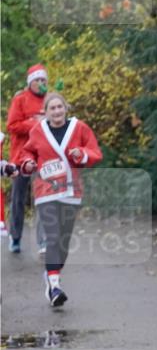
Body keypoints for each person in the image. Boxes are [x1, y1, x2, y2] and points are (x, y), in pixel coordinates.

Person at [17, 92, 103, 306]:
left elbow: (95, 153)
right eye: (52, 108)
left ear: (66, 108)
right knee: (53, 237)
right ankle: (55, 286)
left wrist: (80, 154)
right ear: (45, 112)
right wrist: (28, 164)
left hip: (71, 191)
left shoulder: (80, 128)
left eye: (59, 107)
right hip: (45, 191)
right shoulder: (38, 131)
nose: (56, 111)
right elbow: (27, 154)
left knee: (63, 242)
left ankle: (51, 274)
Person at [5, 64, 48, 253]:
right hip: (21, 157)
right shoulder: (20, 99)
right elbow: (12, 126)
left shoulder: (50, 100)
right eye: (37, 80)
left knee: (43, 198)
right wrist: (34, 123)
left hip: (43, 157)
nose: (40, 83)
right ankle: (15, 237)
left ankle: (43, 242)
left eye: (43, 80)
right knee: (18, 199)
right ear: (30, 83)